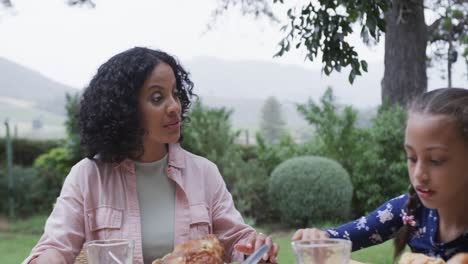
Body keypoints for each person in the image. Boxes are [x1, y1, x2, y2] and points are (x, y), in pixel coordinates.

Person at [23, 47, 279, 264]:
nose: (174, 107)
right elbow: (55, 247)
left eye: (175, 94)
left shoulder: (204, 173)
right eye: (158, 98)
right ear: (126, 110)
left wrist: (253, 247)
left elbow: (236, 241)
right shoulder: (88, 176)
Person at [292, 88, 468, 262]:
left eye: (436, 160)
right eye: (412, 158)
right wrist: (316, 239)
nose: (419, 175)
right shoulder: (410, 208)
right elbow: (338, 241)